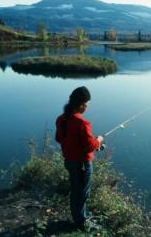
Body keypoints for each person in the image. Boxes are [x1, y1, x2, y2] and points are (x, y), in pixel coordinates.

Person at [55, 86, 104, 230]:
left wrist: (77, 144)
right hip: (82, 165)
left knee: (76, 190)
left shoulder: (61, 119)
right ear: (81, 105)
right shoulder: (82, 123)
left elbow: (59, 138)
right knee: (82, 193)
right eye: (87, 104)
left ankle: (77, 217)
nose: (87, 107)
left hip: (69, 161)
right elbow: (90, 146)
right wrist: (99, 140)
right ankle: (82, 222)